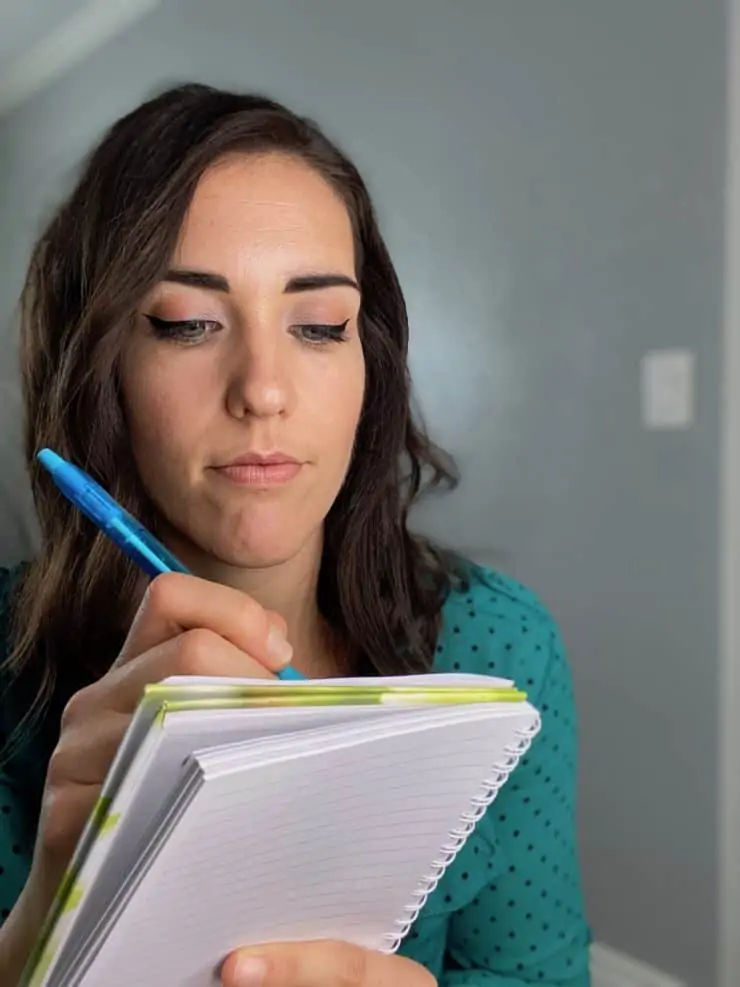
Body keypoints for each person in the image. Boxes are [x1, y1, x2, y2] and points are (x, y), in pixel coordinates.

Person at [0, 83, 590, 987]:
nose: (263, 389)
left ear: (371, 362)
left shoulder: (502, 649)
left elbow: (540, 974)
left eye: (319, 326)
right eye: (188, 323)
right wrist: (36, 939)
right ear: (102, 367)